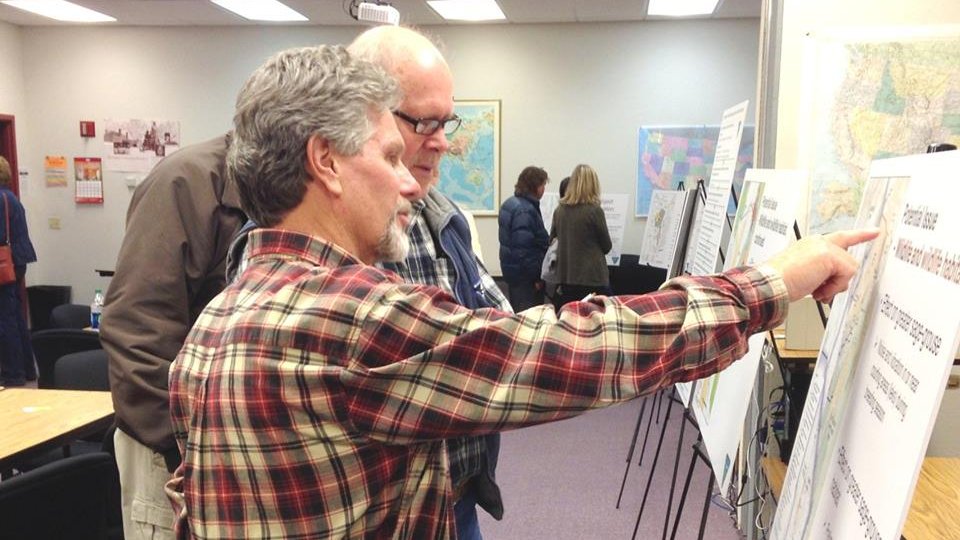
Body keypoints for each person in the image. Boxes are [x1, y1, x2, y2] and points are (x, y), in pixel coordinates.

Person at [166, 44, 877, 539]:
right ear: (325, 162)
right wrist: (771, 285)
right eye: (389, 156)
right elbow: (568, 350)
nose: (412, 179)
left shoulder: (222, 315)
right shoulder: (346, 320)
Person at [349, 26, 510, 539]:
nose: (441, 142)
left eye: (447, 122)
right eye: (423, 122)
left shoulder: (445, 218)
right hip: (381, 518)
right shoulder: (323, 242)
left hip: (458, 500)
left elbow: (501, 333)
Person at [100, 134, 246, 539]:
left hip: (236, 450)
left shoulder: (288, 187)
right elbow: (135, 331)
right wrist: (184, 447)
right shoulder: (187, 181)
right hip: (172, 451)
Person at [551, 164, 612, 307]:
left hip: (566, 277)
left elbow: (552, 238)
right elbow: (607, 246)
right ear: (593, 185)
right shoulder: (594, 211)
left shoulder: (559, 210)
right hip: (593, 278)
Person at [0, 156, 36, 387]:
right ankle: (27, 368)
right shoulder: (10, 198)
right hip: (16, 261)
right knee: (13, 315)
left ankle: (13, 373)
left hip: (4, 263)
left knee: (4, 319)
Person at [498, 165, 550, 311]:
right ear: (535, 186)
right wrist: (536, 278)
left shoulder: (510, 204)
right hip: (526, 280)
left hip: (513, 274)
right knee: (529, 322)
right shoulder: (525, 210)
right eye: (542, 185)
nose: (544, 189)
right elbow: (523, 250)